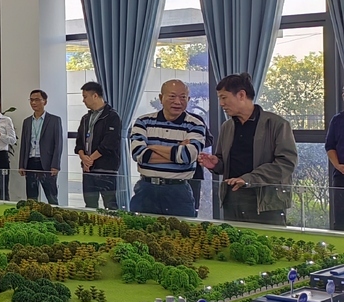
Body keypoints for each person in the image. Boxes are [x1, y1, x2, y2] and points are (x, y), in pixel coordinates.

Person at [199, 73, 297, 225]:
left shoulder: (277, 124)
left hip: (265, 201)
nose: (221, 103)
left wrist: (249, 179)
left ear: (241, 95)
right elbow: (223, 163)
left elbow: (286, 163)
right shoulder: (227, 126)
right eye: (219, 98)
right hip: (232, 198)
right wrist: (215, 164)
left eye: (224, 97)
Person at [129, 80, 207, 217]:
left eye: (183, 97)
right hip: (146, 190)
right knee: (140, 228)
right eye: (172, 96)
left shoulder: (196, 124)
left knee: (183, 230)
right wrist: (177, 150)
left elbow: (188, 156)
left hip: (178, 191)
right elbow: (139, 154)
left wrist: (152, 147)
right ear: (161, 98)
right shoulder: (143, 121)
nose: (177, 101)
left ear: (188, 99)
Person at [74, 81, 123, 210]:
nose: (83, 100)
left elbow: (109, 143)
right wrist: (83, 157)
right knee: (90, 205)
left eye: (85, 97)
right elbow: (79, 142)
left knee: (110, 205)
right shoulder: (86, 118)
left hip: (106, 168)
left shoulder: (112, 116)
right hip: (88, 169)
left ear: (95, 96)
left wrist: (90, 159)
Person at [18, 89, 62, 205]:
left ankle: (55, 215)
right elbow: (24, 144)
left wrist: (55, 165)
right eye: (31, 100)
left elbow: (58, 144)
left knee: (51, 196)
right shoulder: (27, 121)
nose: (33, 103)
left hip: (47, 163)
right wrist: (22, 164)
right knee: (31, 197)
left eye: (37, 100)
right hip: (30, 161)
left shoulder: (54, 120)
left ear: (45, 102)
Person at [326, 87, 344, 230]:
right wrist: (338, 165)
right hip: (341, 175)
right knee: (340, 220)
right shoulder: (337, 120)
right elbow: (330, 146)